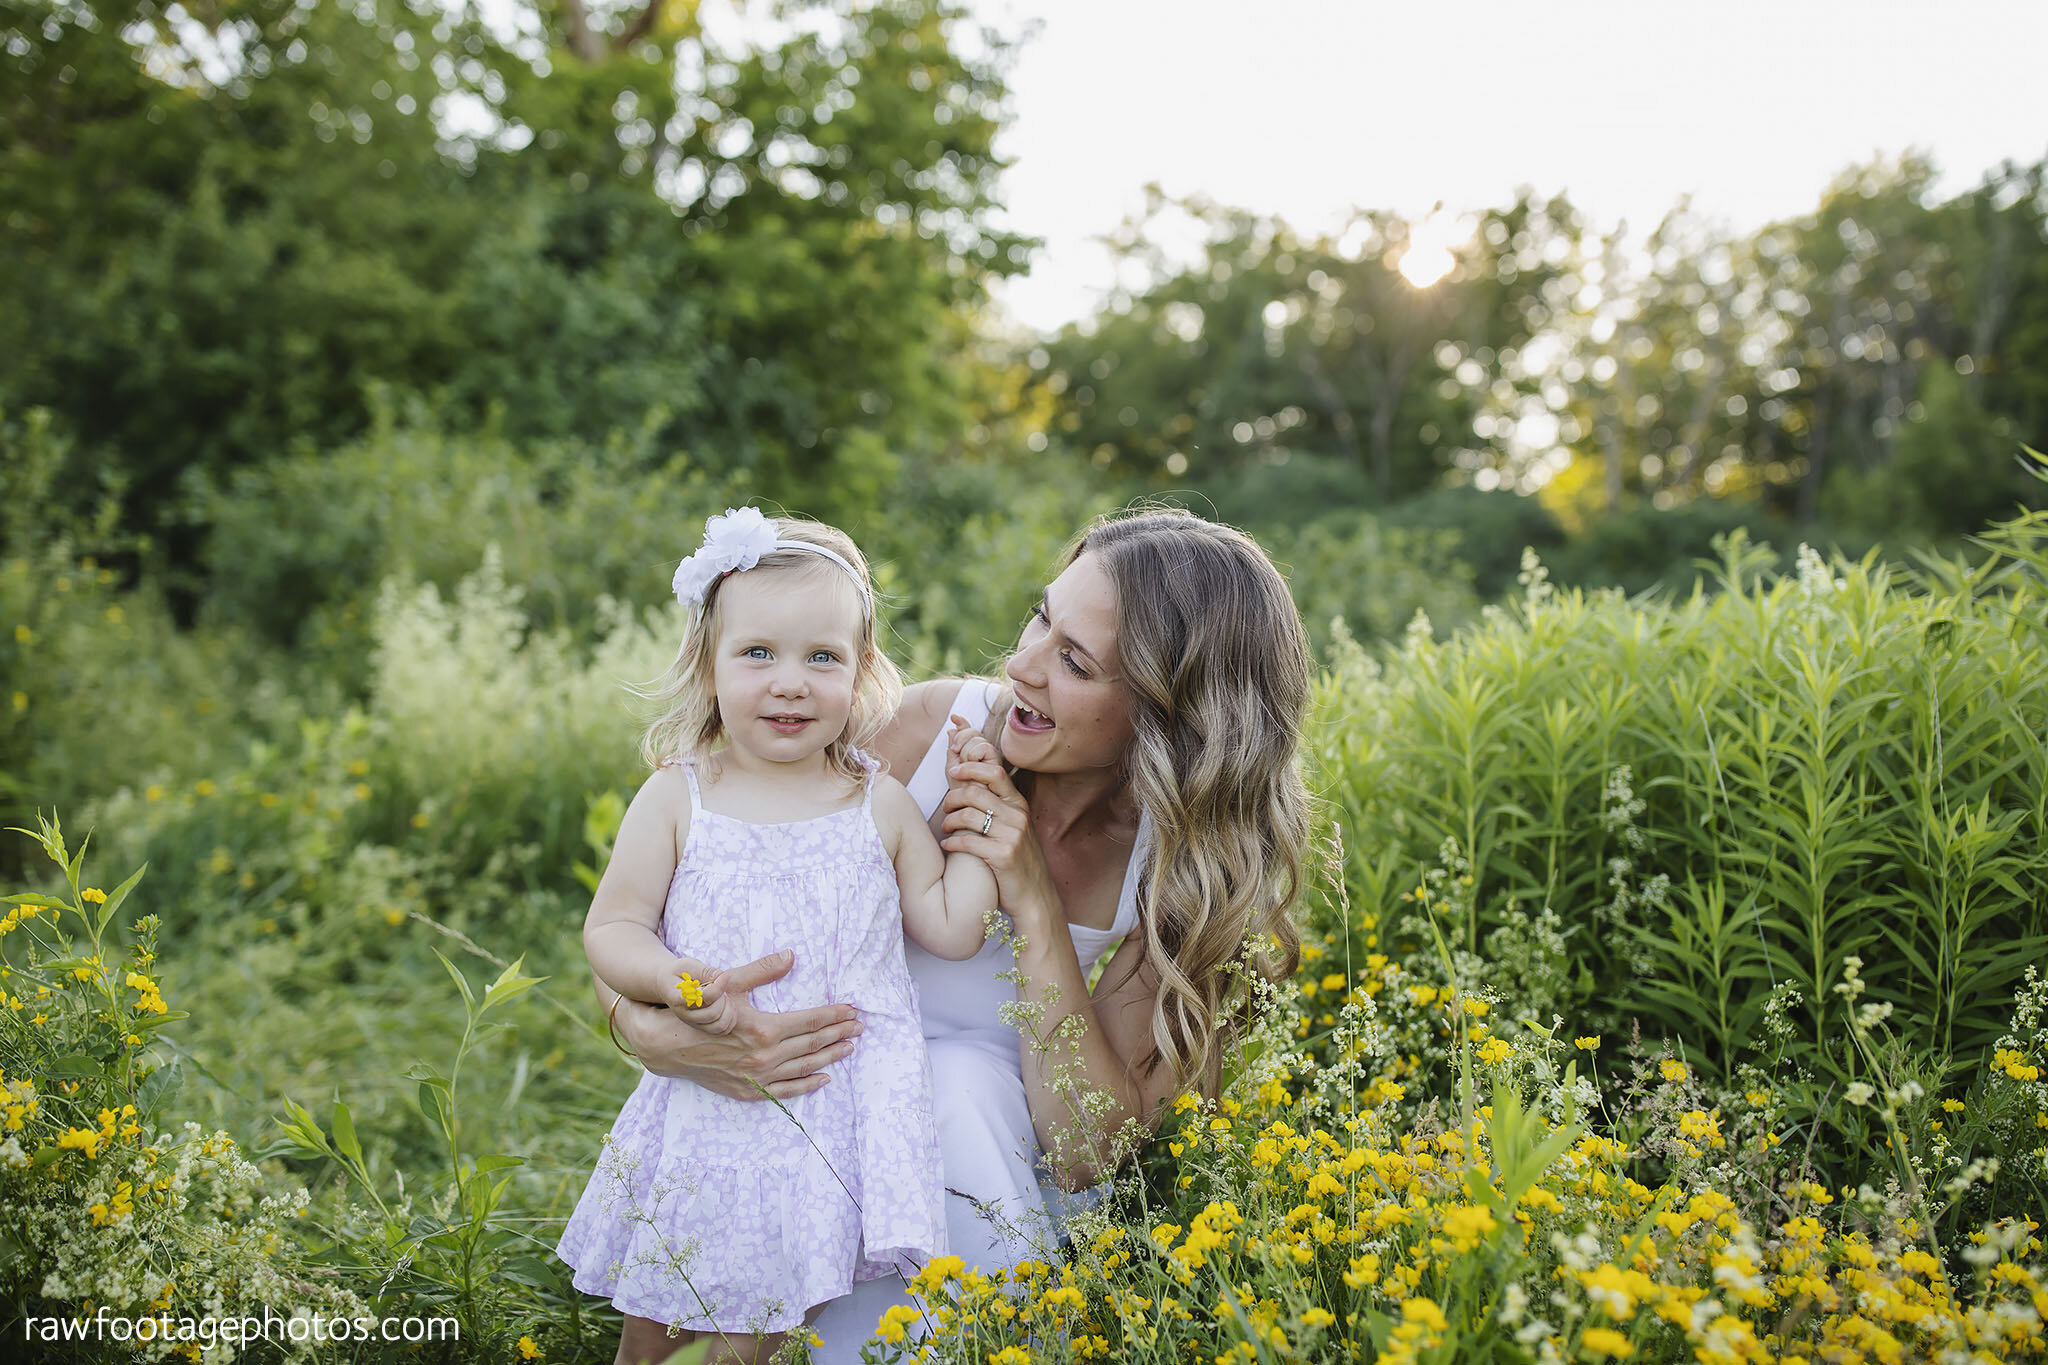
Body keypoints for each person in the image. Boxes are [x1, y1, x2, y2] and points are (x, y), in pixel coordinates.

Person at [597, 506, 1311, 1359]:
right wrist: (658, 1033)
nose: (1021, 664)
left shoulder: (1180, 877)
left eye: (1074, 662)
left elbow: (1090, 1152)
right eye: (1041, 617)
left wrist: (1035, 903)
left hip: (986, 1192)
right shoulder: (924, 734)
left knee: (956, 1085)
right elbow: (677, 899)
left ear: (1167, 714)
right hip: (790, 1130)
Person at [556, 508, 1000, 1365]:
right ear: (708, 665)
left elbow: (948, 925)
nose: (790, 681)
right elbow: (612, 926)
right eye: (758, 653)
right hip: (705, 1102)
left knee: (745, 1335)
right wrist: (680, 979)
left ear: (863, 672)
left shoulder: (878, 802)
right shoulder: (681, 796)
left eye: (822, 657)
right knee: (654, 1317)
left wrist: (982, 829)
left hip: (824, 1113)